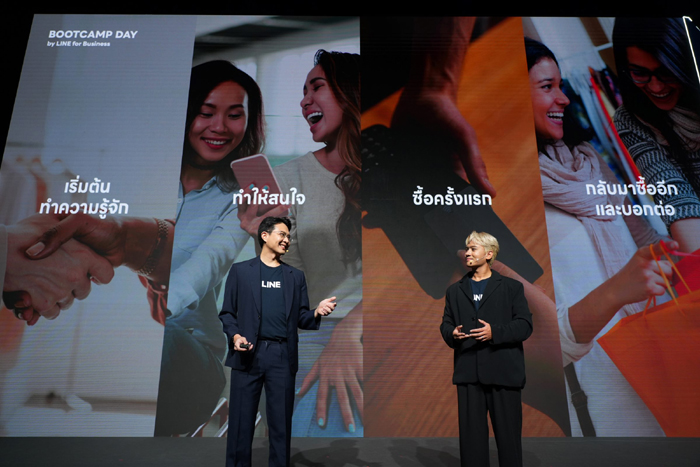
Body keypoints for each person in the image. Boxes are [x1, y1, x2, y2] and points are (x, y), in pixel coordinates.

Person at [15, 60, 287, 436]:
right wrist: (31, 267)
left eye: (235, 115)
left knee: (166, 337)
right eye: (206, 112)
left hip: (193, 353)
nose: (220, 127)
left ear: (249, 121)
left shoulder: (245, 190)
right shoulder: (153, 171)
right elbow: (104, 237)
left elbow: (209, 262)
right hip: (146, 341)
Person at [526, 37, 675, 436]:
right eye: (547, 87)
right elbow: (535, 339)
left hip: (657, 346)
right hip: (600, 382)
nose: (563, 98)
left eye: (560, 85)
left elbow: (642, 237)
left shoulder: (588, 161)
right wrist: (617, 289)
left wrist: (673, 252)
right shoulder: (513, 198)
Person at [237, 50, 362, 435]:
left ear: (351, 94)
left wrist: (352, 329)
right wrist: (268, 244)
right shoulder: (288, 178)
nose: (305, 100)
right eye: (303, 91)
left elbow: (410, 272)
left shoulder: (392, 167)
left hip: (385, 321)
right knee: (313, 423)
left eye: (317, 87)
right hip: (314, 329)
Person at [219, 216, 336, 467]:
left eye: (289, 237)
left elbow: (302, 318)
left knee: (280, 424)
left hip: (282, 356)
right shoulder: (241, 271)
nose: (287, 240)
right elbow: (227, 313)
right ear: (264, 236)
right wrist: (236, 336)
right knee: (240, 423)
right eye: (282, 234)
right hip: (248, 354)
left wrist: (316, 312)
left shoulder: (295, 276)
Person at [440, 231, 532, 467]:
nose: (467, 253)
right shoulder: (455, 290)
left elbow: (524, 325)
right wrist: (451, 333)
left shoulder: (512, 287)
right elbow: (446, 324)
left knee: (509, 440)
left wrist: (495, 333)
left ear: (489, 254)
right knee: (471, 442)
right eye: (467, 249)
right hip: (469, 373)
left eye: (473, 249)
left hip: (503, 372)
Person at [613, 17, 700, 254]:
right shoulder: (631, 121)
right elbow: (675, 198)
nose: (656, 87)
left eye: (666, 72)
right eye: (639, 73)